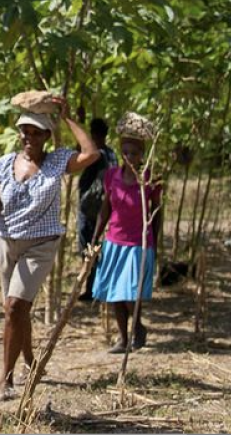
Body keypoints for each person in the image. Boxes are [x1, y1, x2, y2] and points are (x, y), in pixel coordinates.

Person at [0, 96, 99, 400]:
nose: (29, 138)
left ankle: (5, 379)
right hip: (7, 241)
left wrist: (67, 117)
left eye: (36, 132)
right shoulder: (6, 163)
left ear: (47, 136)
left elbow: (91, 153)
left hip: (41, 244)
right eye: (25, 132)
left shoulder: (57, 161)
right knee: (17, 310)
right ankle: (30, 360)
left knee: (14, 306)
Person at [90, 113, 162, 353]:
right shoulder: (112, 176)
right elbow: (105, 208)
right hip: (114, 241)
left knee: (130, 291)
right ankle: (123, 338)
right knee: (114, 294)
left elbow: (157, 211)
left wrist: (155, 242)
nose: (130, 157)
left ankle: (138, 327)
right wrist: (96, 236)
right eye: (126, 152)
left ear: (142, 155)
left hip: (138, 242)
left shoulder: (150, 179)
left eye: (135, 153)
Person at [75, 118, 116, 301]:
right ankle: (95, 288)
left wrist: (77, 122)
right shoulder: (111, 154)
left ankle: (93, 289)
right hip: (104, 208)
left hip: (89, 207)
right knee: (96, 247)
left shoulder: (95, 154)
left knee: (89, 249)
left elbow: (76, 155)